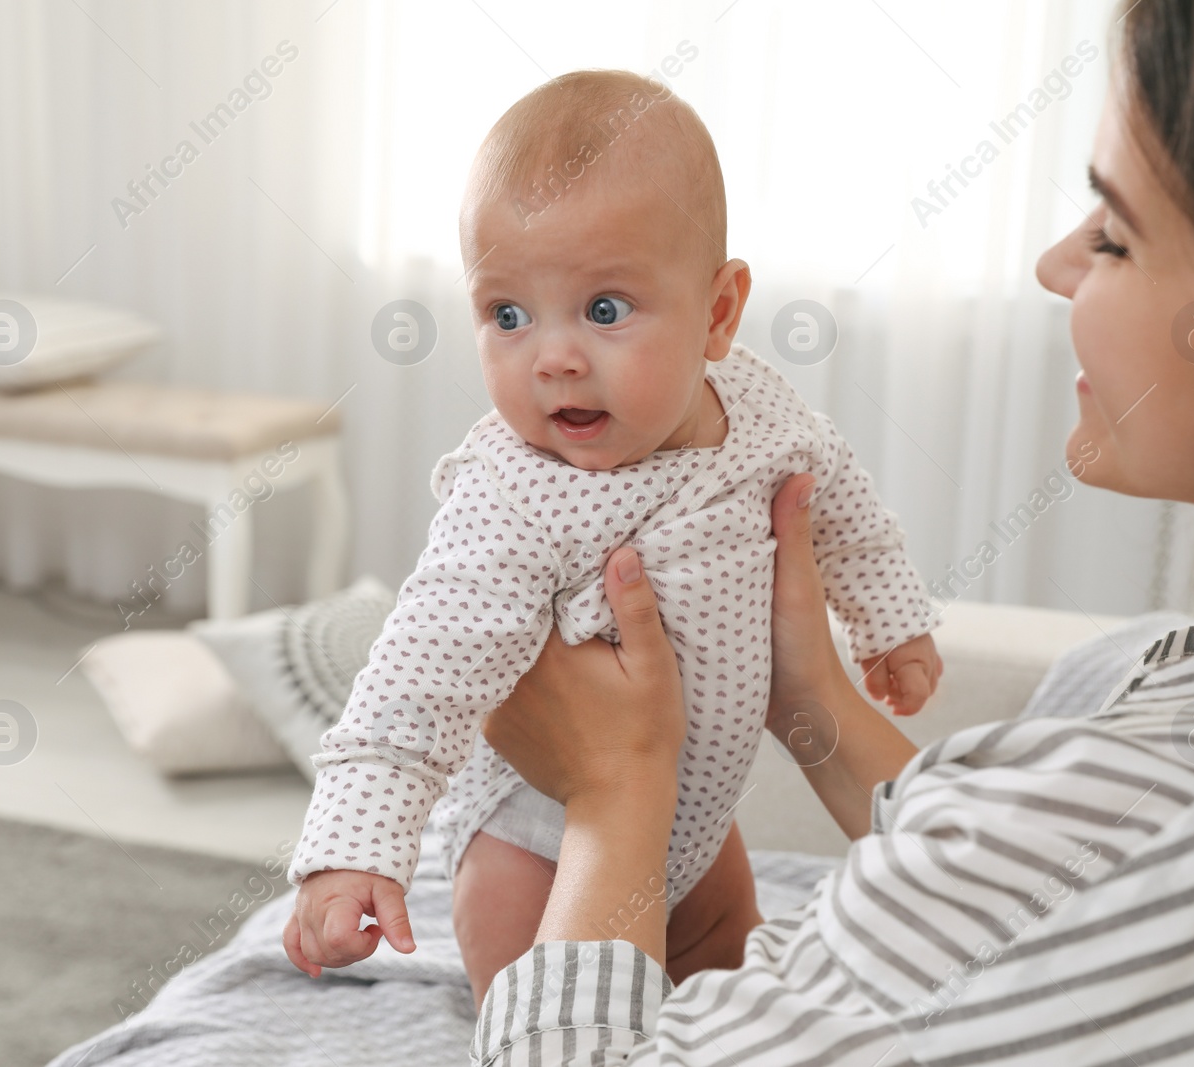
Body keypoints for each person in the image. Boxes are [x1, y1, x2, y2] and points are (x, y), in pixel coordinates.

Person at [466, 0, 1194, 1062]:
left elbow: (1067, 875)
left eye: (1113, 234)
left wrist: (613, 788)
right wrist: (811, 698)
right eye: (504, 313)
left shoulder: (1180, 810)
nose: (1056, 264)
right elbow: (1020, 908)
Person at [281, 69, 944, 1007]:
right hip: (535, 840)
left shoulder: (757, 409)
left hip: (695, 821)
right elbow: (410, 687)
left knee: (725, 965)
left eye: (603, 310)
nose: (553, 356)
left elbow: (841, 506)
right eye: (506, 314)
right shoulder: (513, 495)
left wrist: (888, 619)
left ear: (719, 314)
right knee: (548, 1006)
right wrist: (349, 854)